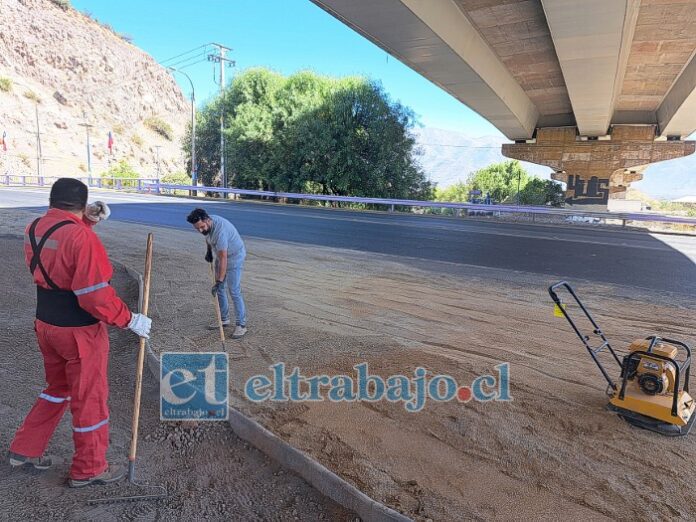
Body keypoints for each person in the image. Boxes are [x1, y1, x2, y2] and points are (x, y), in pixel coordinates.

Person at [8, 178, 152, 488]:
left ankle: (24, 449)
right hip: (78, 332)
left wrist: (86, 221)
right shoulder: (82, 239)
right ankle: (89, 468)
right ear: (82, 204)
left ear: (52, 199)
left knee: (57, 387)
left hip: (46, 325)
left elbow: (63, 248)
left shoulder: (35, 228)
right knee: (90, 399)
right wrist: (129, 319)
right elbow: (93, 295)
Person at [186, 208, 247, 339]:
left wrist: (220, 280)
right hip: (221, 255)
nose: (200, 230)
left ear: (207, 220)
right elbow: (207, 237)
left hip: (234, 256)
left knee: (234, 290)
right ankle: (224, 319)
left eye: (202, 227)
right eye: (197, 229)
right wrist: (208, 250)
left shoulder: (220, 231)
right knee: (219, 290)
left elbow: (224, 257)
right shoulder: (207, 223)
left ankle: (241, 325)